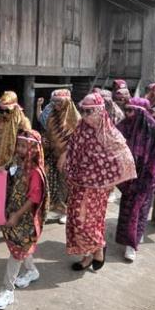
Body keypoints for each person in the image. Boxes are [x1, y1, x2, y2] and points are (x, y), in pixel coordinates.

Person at [60, 93, 136, 271]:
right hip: (79, 183)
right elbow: (72, 150)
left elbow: (124, 158)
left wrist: (105, 176)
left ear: (100, 111)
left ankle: (99, 246)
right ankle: (87, 255)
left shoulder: (109, 132)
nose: (85, 116)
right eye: (83, 111)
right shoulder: (80, 128)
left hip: (98, 187)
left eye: (89, 112)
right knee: (76, 219)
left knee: (87, 222)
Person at [0, 130, 49, 310]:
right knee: (22, 248)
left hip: (25, 219)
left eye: (24, 146)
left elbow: (33, 199)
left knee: (16, 251)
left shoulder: (36, 173)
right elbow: (9, 172)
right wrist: (2, 170)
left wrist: (16, 215)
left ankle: (8, 290)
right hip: (13, 213)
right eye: (19, 145)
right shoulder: (18, 164)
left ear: (34, 149)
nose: (20, 149)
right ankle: (32, 271)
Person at [115, 97, 155, 261]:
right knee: (126, 210)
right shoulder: (124, 126)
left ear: (141, 112)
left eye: (131, 110)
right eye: (126, 110)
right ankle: (130, 238)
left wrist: (151, 177)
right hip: (128, 178)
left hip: (145, 178)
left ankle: (132, 245)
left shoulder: (152, 129)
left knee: (139, 211)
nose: (127, 114)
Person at [37, 88, 81, 223]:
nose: (56, 105)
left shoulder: (76, 119)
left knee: (66, 184)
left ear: (67, 102)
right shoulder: (51, 115)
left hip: (70, 157)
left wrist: (64, 156)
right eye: (54, 102)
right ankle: (57, 208)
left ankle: (67, 211)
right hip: (52, 153)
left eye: (60, 102)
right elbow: (42, 122)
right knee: (51, 181)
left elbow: (76, 141)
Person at [0, 91, 32, 169]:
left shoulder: (23, 122)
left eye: (7, 111)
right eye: (1, 111)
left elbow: (26, 143)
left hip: (15, 159)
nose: (4, 114)